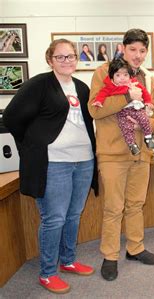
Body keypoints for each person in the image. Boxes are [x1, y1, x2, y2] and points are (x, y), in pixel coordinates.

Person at [3, 39, 98, 294]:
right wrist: (31, 145)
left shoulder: (81, 87)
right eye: (61, 57)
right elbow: (11, 117)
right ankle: (47, 273)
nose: (67, 61)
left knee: (73, 215)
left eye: (71, 56)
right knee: (54, 218)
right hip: (54, 163)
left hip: (84, 160)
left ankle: (67, 261)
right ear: (50, 60)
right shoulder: (39, 84)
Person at [88, 29, 154, 281]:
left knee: (136, 204)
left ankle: (135, 248)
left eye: (143, 51)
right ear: (123, 48)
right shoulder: (104, 73)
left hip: (140, 152)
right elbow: (95, 111)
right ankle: (110, 255)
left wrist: (144, 125)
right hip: (112, 153)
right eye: (133, 49)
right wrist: (125, 96)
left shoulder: (149, 79)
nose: (138, 55)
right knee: (113, 207)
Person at [92, 58, 154, 155]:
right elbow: (102, 94)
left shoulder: (133, 84)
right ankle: (132, 145)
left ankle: (148, 137)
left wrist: (148, 102)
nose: (122, 78)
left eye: (125, 75)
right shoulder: (110, 87)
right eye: (118, 75)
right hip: (122, 112)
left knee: (144, 119)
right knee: (125, 127)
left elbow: (145, 92)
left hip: (136, 109)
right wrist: (98, 102)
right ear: (112, 77)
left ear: (130, 76)